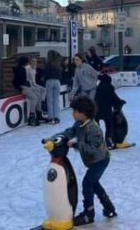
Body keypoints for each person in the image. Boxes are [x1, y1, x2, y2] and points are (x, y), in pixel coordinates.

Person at [43, 96, 117, 225]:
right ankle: (109, 207)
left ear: (82, 113)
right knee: (94, 184)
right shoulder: (79, 124)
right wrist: (53, 138)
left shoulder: (93, 128)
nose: (72, 114)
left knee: (87, 183)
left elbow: (94, 149)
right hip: (93, 161)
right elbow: (69, 132)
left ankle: (89, 214)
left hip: (100, 160)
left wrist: (77, 145)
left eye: (74, 111)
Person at [94, 73, 125, 149]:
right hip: (106, 111)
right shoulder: (109, 87)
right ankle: (108, 142)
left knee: (96, 127)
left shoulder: (98, 87)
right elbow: (114, 98)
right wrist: (121, 102)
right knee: (109, 126)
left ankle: (97, 142)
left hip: (96, 111)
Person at [13, 56, 45, 126]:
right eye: (27, 62)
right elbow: (16, 81)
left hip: (27, 85)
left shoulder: (23, 68)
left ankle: (39, 114)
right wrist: (21, 89)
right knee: (35, 98)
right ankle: (31, 117)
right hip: (24, 87)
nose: (28, 63)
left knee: (39, 95)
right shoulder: (20, 69)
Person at [44, 50, 63, 124]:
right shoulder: (58, 63)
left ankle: (51, 117)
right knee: (56, 99)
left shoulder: (48, 63)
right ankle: (56, 117)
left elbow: (46, 73)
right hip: (57, 81)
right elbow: (61, 73)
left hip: (49, 81)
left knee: (50, 100)